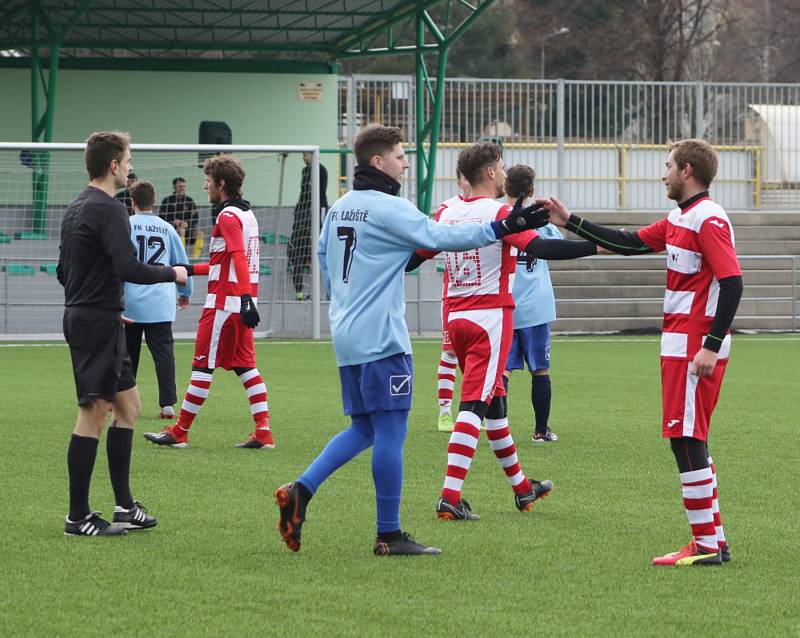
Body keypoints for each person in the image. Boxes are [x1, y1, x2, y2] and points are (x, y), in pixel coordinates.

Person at [273, 125, 550, 557]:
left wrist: (353, 292)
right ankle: (389, 534)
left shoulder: (340, 208)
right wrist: (506, 226)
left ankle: (301, 491)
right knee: (391, 431)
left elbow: (325, 260)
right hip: (382, 337)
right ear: (378, 162)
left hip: (346, 334)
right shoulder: (389, 207)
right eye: (400, 155)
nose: (405, 162)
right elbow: (442, 239)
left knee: (364, 427)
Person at [543, 138, 742, 566]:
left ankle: (705, 545)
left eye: (668, 165)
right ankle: (715, 540)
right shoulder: (679, 218)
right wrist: (569, 220)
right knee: (691, 438)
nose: (663, 173)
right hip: (680, 342)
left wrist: (709, 345)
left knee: (685, 438)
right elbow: (627, 242)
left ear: (687, 170)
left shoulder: (707, 218)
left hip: (693, 344)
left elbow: (733, 282)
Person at [406, 142, 598, 522]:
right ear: (491, 172)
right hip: (489, 319)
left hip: (455, 318)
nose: (506, 173)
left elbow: (417, 255)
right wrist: (596, 246)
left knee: (494, 406)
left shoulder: (447, 209)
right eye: (502, 165)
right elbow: (541, 248)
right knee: (475, 405)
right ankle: (450, 496)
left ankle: (522, 488)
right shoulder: (501, 214)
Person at [57, 131, 188, 537]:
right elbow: (128, 268)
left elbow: (65, 272)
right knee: (93, 414)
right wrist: (173, 272)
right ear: (114, 165)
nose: (131, 167)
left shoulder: (77, 205)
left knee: (129, 408)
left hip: (100, 317)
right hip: (96, 321)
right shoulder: (111, 210)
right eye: (128, 159)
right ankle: (77, 517)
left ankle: (125, 506)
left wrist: (108, 306)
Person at [144, 155, 272, 450]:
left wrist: (243, 299)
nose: (205, 187)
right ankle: (263, 432)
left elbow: (238, 257)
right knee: (246, 367)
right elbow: (225, 263)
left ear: (221, 184)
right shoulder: (247, 215)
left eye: (208, 181)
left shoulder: (227, 217)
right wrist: (188, 270)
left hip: (224, 305)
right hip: (240, 303)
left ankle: (180, 432)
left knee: (202, 367)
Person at [502, 165, 564, 443]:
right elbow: (558, 243)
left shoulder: (498, 220)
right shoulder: (543, 224)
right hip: (536, 309)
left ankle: (498, 430)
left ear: (505, 187)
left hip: (505, 306)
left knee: (502, 371)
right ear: (531, 191)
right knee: (540, 369)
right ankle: (541, 430)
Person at [123, 180, 193, 420]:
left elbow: (118, 262)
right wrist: (185, 293)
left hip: (131, 302)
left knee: (127, 354)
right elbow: (182, 264)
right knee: (164, 355)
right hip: (161, 303)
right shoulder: (167, 228)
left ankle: (122, 402)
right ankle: (167, 405)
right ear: (153, 202)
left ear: (132, 202)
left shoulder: (126, 225)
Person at [435, 171, 471, 433]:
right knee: (449, 352)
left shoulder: (491, 207)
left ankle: (471, 411)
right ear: (459, 180)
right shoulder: (448, 208)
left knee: (476, 358)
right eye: (464, 178)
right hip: (455, 294)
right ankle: (445, 412)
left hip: (484, 296)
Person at [288, 152, 329, 300]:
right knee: (298, 254)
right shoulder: (305, 171)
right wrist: (300, 209)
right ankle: (300, 292)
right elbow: (303, 192)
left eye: (305, 156)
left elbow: (318, 191)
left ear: (311, 156)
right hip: (305, 212)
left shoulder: (320, 170)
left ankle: (328, 291)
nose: (304, 158)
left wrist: (313, 211)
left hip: (317, 208)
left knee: (321, 243)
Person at [159, 177, 205, 259]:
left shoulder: (189, 201)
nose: (182, 188)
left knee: (200, 234)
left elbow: (195, 218)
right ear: (174, 187)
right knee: (181, 230)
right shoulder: (167, 200)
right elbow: (161, 217)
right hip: (171, 230)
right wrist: (173, 222)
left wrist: (187, 223)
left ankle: (195, 259)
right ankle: (181, 257)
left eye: (184, 186)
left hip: (187, 229)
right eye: (180, 186)